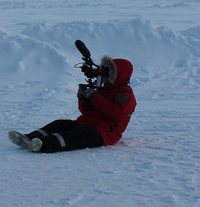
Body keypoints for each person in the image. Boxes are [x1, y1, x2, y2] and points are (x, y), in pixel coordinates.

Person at [8, 56, 136, 153]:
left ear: (116, 75)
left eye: (107, 73)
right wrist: (83, 97)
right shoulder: (103, 90)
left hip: (105, 133)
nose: (103, 76)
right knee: (60, 124)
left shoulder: (125, 95)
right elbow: (86, 112)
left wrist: (94, 97)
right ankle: (28, 138)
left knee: (76, 135)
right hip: (87, 123)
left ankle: (43, 145)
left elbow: (116, 114)